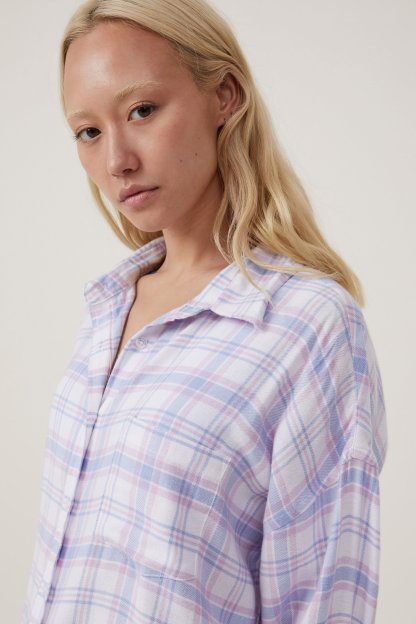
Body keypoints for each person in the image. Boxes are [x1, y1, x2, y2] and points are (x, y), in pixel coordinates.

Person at [21, 1, 388, 622]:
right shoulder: (109, 308)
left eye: (142, 110)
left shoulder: (308, 326)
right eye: (88, 132)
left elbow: (321, 601)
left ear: (224, 95)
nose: (116, 161)